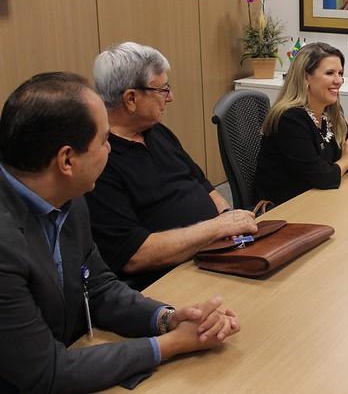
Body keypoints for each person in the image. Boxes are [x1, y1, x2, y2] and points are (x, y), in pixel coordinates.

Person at [0, 72, 242, 392]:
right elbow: (44, 372)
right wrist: (171, 345)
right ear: (67, 160)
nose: (111, 149)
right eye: (103, 140)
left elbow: (99, 287)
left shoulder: (68, 197)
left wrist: (167, 319)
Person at [85, 42, 258, 290]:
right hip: (173, 278)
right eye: (162, 89)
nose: (171, 97)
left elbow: (201, 182)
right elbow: (133, 255)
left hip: (218, 253)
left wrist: (227, 218)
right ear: (131, 99)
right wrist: (216, 228)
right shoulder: (101, 161)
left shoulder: (158, 133)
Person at [255, 42, 348, 206]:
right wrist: (347, 158)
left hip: (318, 199)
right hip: (287, 208)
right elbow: (323, 177)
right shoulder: (290, 119)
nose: (338, 80)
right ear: (305, 77)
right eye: (330, 73)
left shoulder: (329, 111)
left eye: (340, 73)